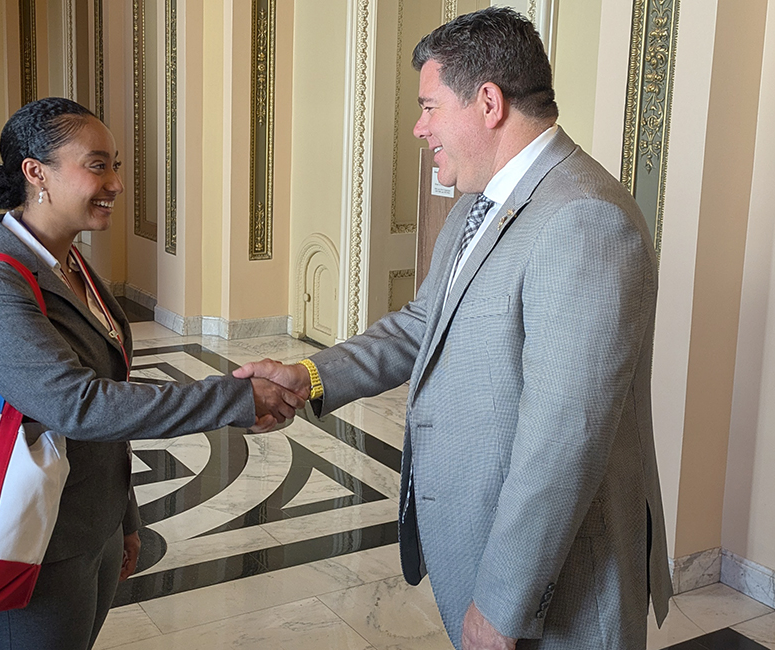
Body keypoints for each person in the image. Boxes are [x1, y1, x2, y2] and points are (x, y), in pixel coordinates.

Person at [236, 8, 673, 649]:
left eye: (429, 106)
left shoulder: (584, 220)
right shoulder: (481, 199)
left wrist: (500, 605)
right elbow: (424, 323)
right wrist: (309, 375)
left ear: (488, 103)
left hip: (557, 589)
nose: (420, 127)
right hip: (485, 544)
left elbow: (564, 439)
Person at [0, 97, 302, 649]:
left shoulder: (70, 264)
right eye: (97, 166)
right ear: (36, 172)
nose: (115, 184)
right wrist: (238, 398)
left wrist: (124, 516)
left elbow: (105, 401)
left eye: (114, 165)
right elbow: (79, 405)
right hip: (28, 546)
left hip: (90, 522)